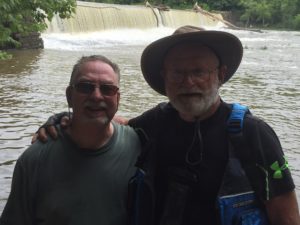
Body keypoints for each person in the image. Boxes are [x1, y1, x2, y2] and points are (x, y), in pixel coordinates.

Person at [32, 26, 300, 225]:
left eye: (199, 71)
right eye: (178, 73)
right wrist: (65, 118)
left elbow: (286, 217)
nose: (188, 82)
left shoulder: (253, 135)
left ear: (220, 74)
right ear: (165, 77)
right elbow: (113, 123)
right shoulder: (156, 122)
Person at [0, 55, 141, 225]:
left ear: (117, 98)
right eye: (85, 87)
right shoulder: (35, 159)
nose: (96, 96)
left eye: (107, 89)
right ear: (69, 95)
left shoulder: (139, 146)